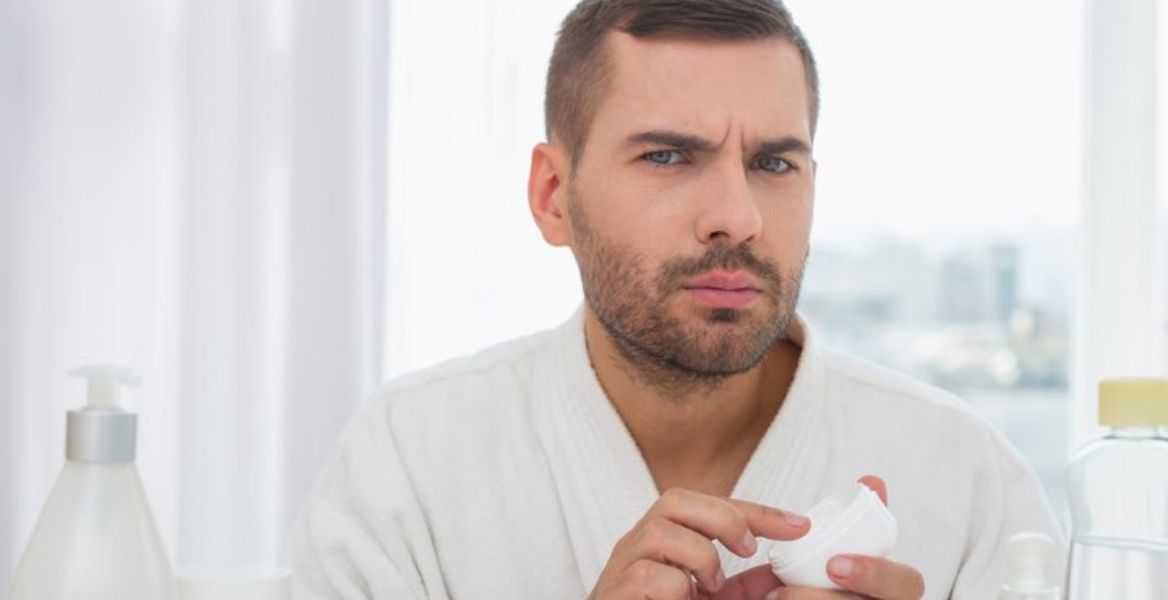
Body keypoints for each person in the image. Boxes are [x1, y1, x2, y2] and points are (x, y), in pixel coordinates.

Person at [289, 1, 1062, 598]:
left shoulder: (967, 481)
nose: (738, 216)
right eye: (667, 156)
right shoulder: (408, 469)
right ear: (554, 196)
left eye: (773, 164)